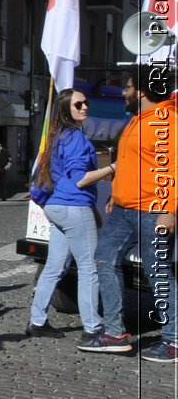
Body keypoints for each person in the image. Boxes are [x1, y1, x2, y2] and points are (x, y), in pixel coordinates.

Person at [79, 64, 177, 360]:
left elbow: (172, 168)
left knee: (157, 272)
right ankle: (115, 334)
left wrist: (169, 210)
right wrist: (116, 194)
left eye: (129, 87)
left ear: (143, 91)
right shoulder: (136, 119)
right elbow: (130, 162)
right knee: (104, 258)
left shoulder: (166, 121)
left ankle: (174, 340)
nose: (124, 92)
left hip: (153, 209)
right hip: (123, 208)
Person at [25, 90, 114, 340]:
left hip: (56, 206)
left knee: (54, 266)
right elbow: (79, 180)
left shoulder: (59, 136)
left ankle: (37, 320)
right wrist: (112, 168)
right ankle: (92, 329)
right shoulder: (75, 138)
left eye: (86, 102)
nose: (84, 106)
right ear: (66, 109)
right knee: (89, 268)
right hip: (73, 206)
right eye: (78, 104)